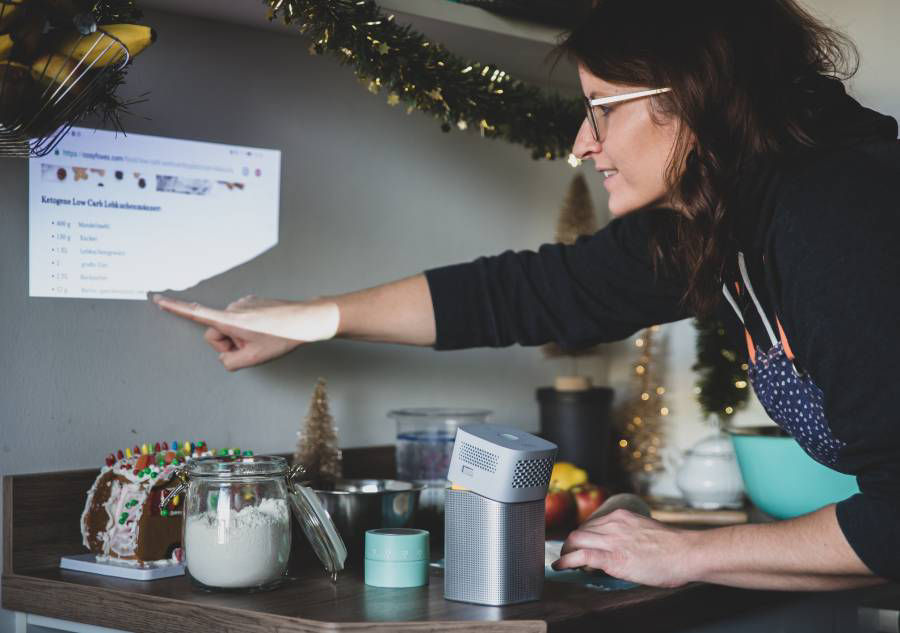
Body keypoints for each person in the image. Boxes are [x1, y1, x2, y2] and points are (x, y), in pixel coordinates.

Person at [154, 0, 900, 590]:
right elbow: (532, 293)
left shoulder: (838, 214)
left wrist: (681, 553)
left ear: (693, 96)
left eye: (602, 106)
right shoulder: (723, 215)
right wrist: (313, 319)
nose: (581, 141)